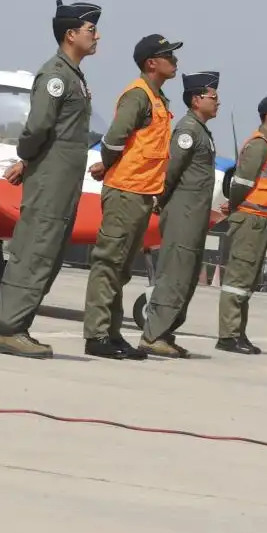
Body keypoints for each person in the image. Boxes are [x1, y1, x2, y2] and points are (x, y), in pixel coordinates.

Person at [0, 0, 100, 359]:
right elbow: (37, 128)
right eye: (90, 30)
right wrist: (26, 158)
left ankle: (19, 326)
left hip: (62, 182)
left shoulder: (73, 76)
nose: (97, 36)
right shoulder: (55, 76)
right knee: (34, 252)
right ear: (71, 34)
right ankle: (7, 330)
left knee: (48, 256)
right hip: (50, 180)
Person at [84, 34, 181, 360]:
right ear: (151, 62)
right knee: (108, 264)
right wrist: (107, 164)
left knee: (121, 269)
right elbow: (114, 139)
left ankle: (111, 333)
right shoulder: (138, 96)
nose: (175, 60)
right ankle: (97, 335)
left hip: (140, 192)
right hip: (125, 190)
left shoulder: (158, 100)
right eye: (168, 55)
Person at [138, 70, 225, 358]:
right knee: (174, 274)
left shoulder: (201, 131)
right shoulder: (187, 131)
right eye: (213, 96)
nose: (218, 101)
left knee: (186, 276)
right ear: (197, 99)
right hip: (183, 214)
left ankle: (165, 331)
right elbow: (171, 172)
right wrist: (161, 203)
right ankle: (152, 335)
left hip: (195, 216)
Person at [217, 94, 267, 354]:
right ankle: (228, 335)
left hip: (261, 219)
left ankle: (238, 332)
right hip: (250, 218)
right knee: (238, 277)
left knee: (249, 279)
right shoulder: (259, 145)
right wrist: (233, 208)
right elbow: (240, 184)